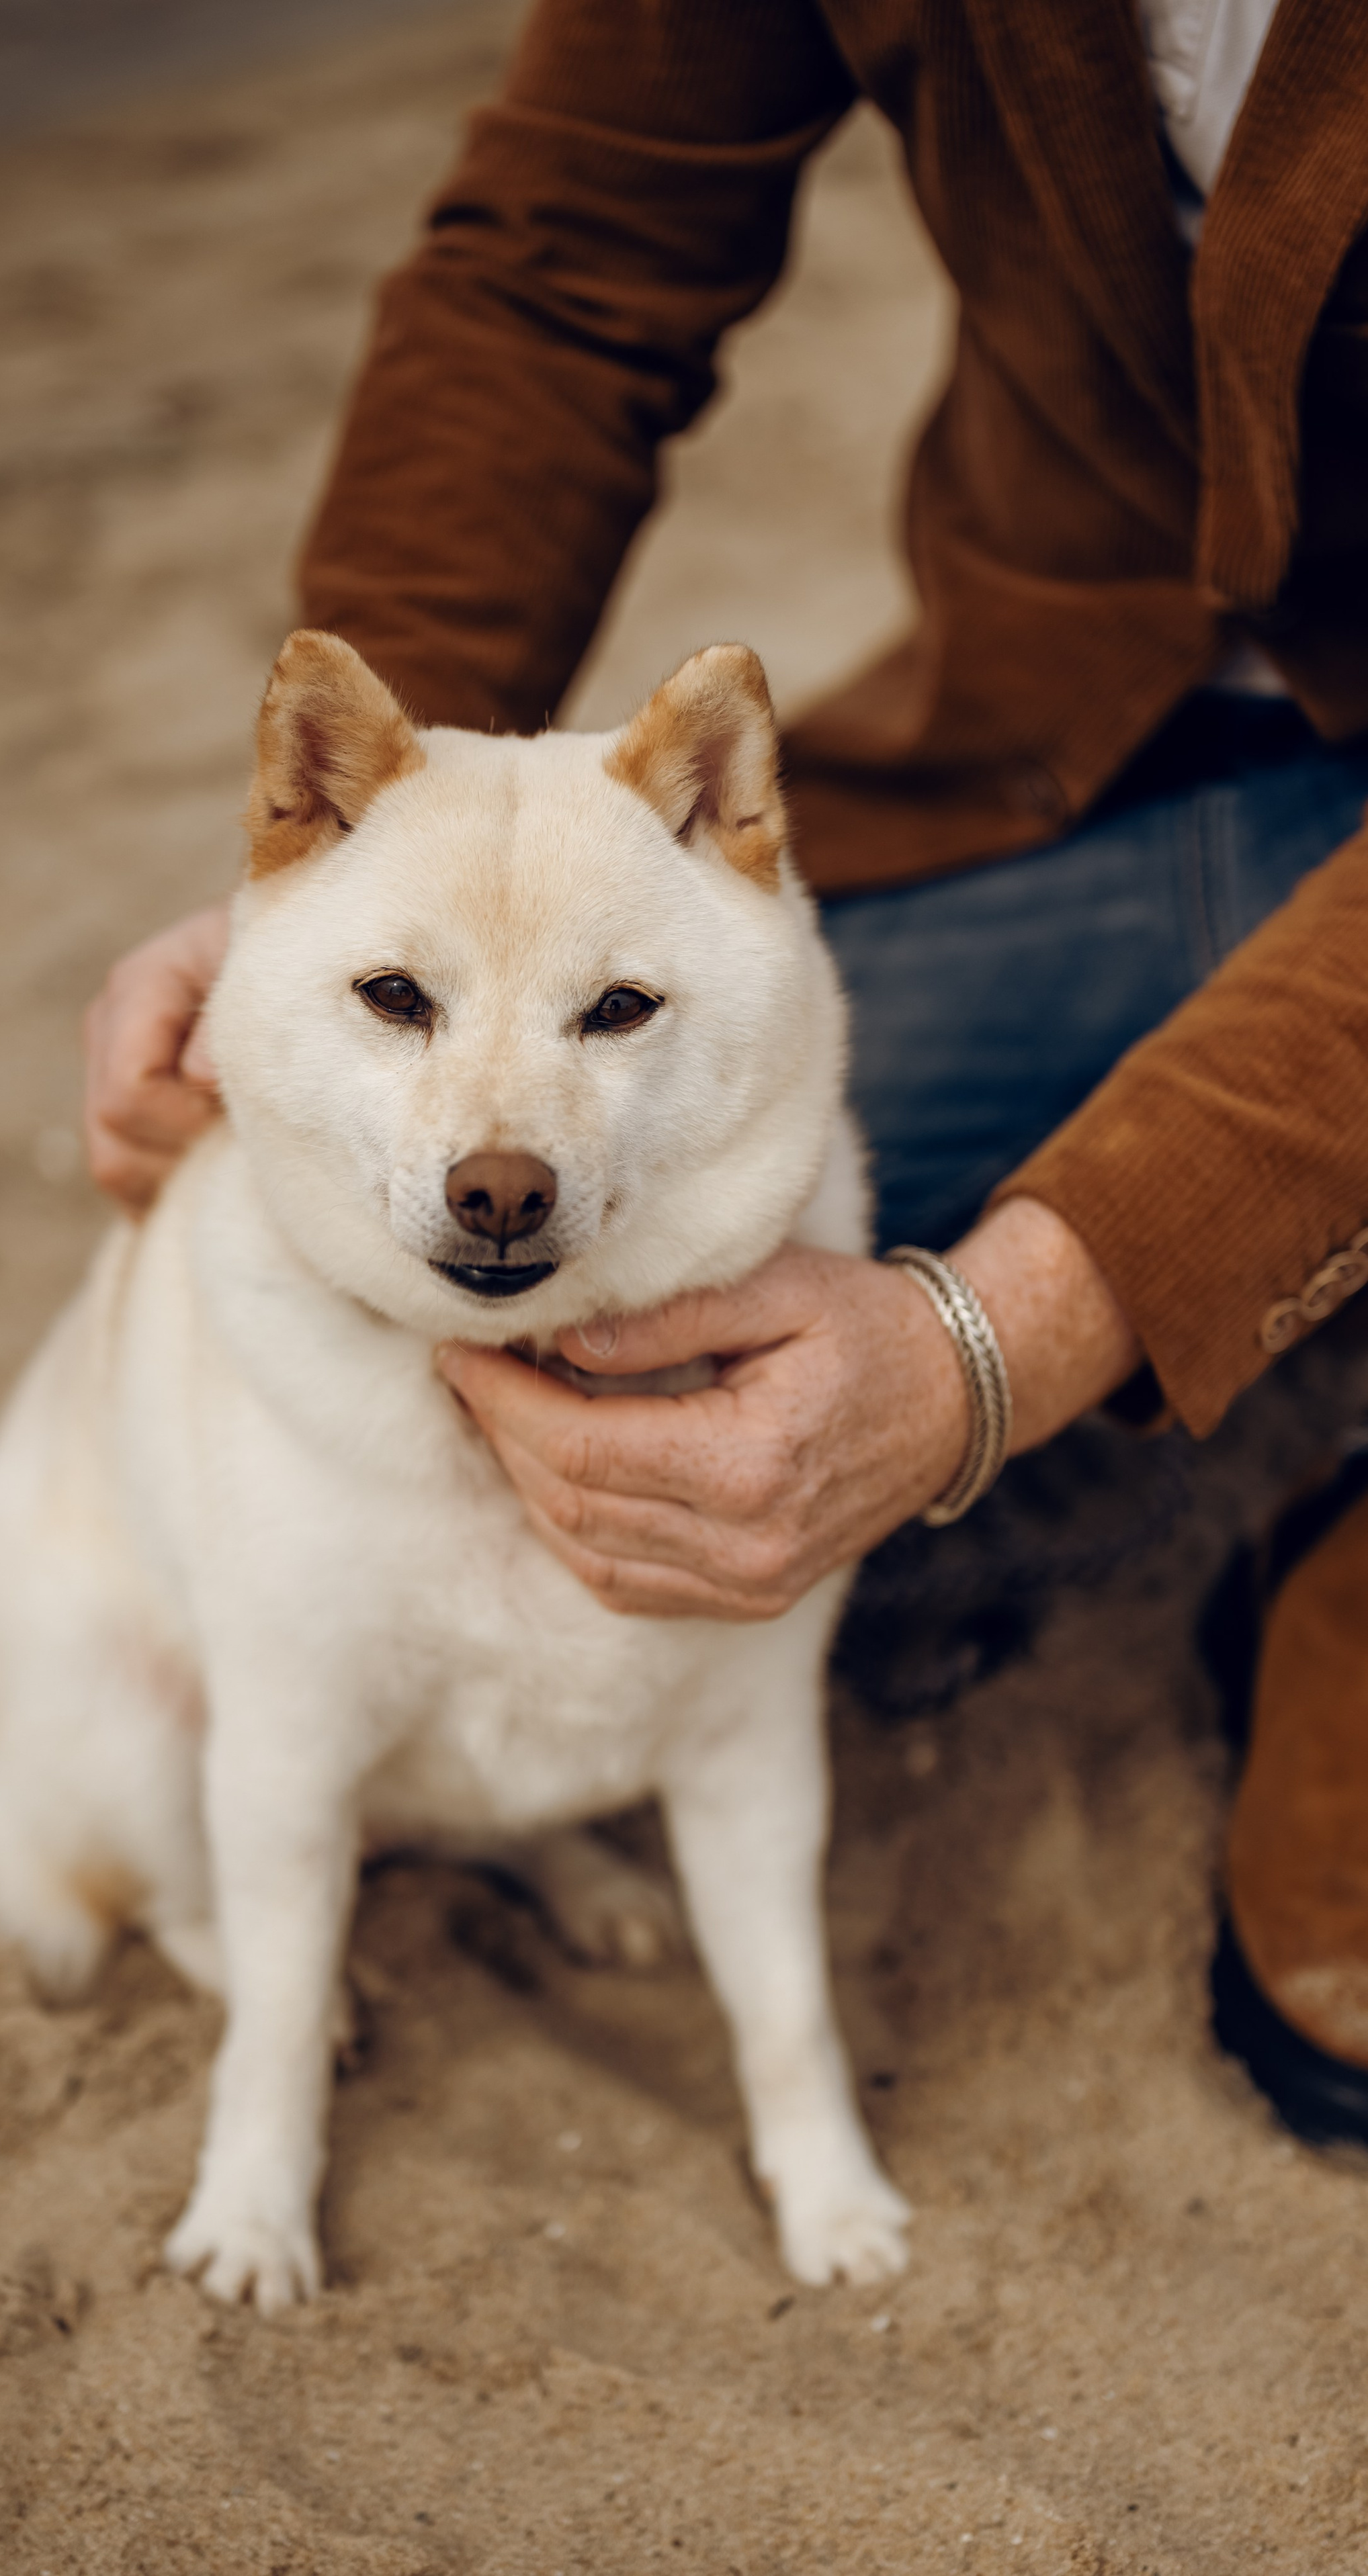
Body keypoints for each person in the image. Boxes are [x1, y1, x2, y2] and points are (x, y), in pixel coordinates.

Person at [83, 0, 1368, 2141]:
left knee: (1001, 1274)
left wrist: (991, 1345)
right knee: (703, 1187)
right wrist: (357, 871)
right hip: (1101, 746)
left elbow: (987, 1329)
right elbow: (566, 259)